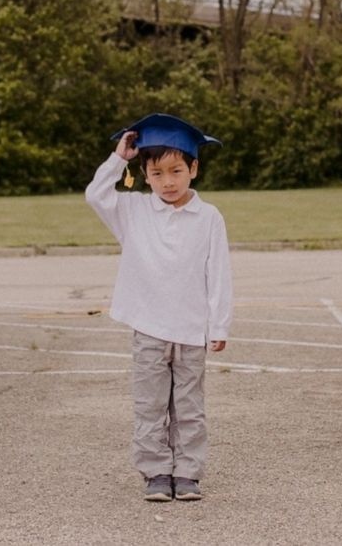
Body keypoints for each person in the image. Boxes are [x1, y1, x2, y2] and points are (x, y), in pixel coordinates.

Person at [86, 112, 233, 503]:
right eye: (156, 173)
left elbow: (217, 273)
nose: (167, 182)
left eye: (176, 170)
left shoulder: (208, 218)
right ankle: (155, 472)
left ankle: (187, 473)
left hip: (190, 330)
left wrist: (218, 325)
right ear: (144, 175)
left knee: (189, 408)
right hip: (149, 328)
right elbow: (96, 195)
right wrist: (119, 159)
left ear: (194, 168)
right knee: (150, 405)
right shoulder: (133, 213)